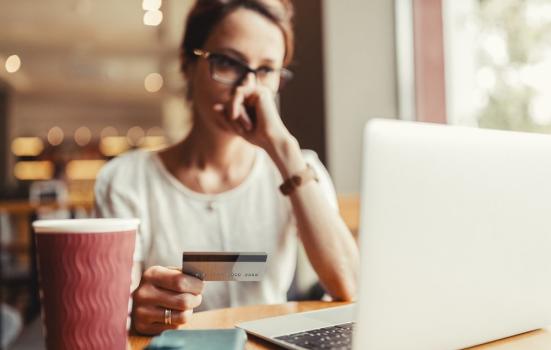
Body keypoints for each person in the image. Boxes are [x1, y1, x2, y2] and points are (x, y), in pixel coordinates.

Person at [94, 0, 358, 335]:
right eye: (229, 63)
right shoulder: (126, 180)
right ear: (188, 64)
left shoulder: (299, 170)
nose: (248, 89)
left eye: (265, 71)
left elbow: (349, 285)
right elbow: (112, 318)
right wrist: (137, 312)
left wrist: (285, 149)